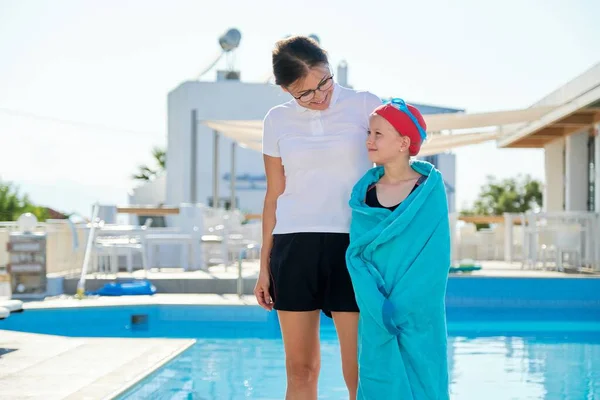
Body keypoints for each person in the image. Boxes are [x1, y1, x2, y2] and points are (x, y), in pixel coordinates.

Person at [253, 35, 382, 399]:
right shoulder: (276, 120)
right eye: (304, 93)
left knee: (360, 370)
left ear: (329, 67)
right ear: (285, 90)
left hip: (352, 245)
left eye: (323, 82)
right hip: (293, 245)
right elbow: (274, 195)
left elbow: (396, 165)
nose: (319, 95)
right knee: (300, 370)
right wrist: (264, 265)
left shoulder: (365, 105)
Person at [345, 98, 451, 399]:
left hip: (419, 314)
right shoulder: (364, 194)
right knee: (378, 380)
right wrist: (377, 303)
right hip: (375, 310)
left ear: (404, 142)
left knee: (423, 383)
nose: (369, 140)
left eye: (378, 134)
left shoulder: (428, 191)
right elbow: (356, 255)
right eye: (369, 133)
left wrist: (401, 306)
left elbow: (435, 258)